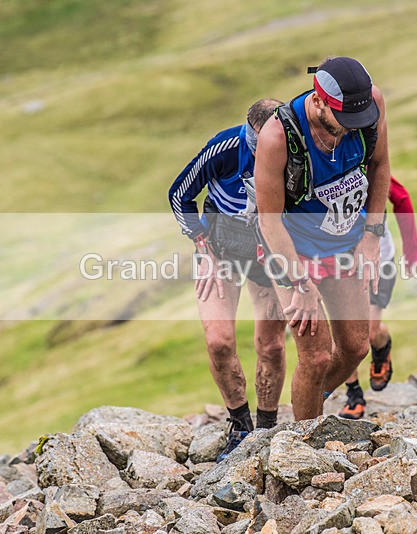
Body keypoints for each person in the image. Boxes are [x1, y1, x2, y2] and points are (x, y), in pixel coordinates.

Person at [254, 56, 392, 420]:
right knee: (315, 357)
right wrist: (300, 283)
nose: (349, 130)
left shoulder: (370, 102)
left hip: (346, 246)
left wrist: (372, 236)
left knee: (356, 348)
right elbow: (269, 222)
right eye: (342, 123)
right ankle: (301, 449)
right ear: (318, 102)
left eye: (357, 123)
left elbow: (380, 166)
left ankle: (309, 402)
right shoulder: (278, 137)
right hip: (292, 251)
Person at [168, 98, 287, 461]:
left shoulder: (295, 151)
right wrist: (201, 243)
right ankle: (240, 425)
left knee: (273, 346)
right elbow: (179, 194)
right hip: (220, 249)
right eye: (258, 142)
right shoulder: (224, 147)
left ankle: (266, 429)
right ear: (249, 132)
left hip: (269, 256)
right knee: (219, 341)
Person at [339, 176, 417, 419]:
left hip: (379, 260)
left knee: (369, 333)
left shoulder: (366, 162)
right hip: (338, 262)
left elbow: (402, 198)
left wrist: (412, 253)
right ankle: (354, 394)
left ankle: (382, 347)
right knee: (344, 333)